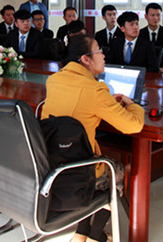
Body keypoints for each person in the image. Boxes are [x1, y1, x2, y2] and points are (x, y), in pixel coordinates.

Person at [42, 35, 144, 242]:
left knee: (85, 152)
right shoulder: (96, 89)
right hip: (82, 169)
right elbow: (133, 125)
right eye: (99, 51)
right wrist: (132, 104)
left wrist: (106, 102)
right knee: (116, 169)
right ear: (85, 59)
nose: (103, 55)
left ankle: (80, 234)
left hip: (53, 161)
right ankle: (96, 235)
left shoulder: (54, 80)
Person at [139, 3, 163, 74]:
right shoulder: (140, 34)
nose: (156, 18)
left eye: (158, 15)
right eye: (152, 15)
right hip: (145, 72)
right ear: (146, 16)